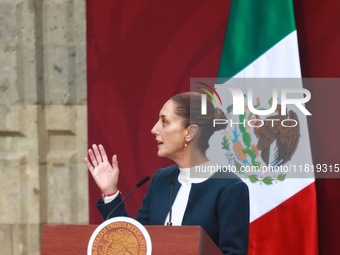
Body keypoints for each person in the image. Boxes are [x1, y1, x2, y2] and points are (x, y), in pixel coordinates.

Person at [85, 92, 249, 255]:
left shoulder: (230, 188)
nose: (154, 129)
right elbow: (134, 241)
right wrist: (110, 192)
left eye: (164, 122)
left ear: (189, 132)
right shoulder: (161, 180)